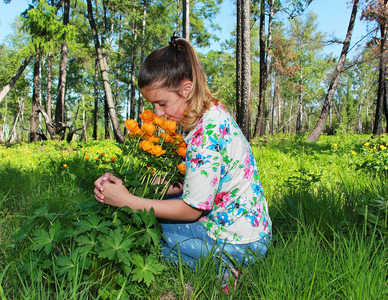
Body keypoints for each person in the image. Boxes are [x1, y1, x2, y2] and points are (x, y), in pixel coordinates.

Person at [93, 35, 272, 293]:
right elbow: (195, 182)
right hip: (252, 232)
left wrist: (126, 201)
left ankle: (227, 270)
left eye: (162, 103)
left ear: (186, 89)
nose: (157, 113)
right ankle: (224, 265)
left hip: (240, 246)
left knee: (157, 234)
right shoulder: (213, 115)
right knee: (158, 214)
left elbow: (190, 211)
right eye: (153, 105)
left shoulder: (205, 136)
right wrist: (138, 186)